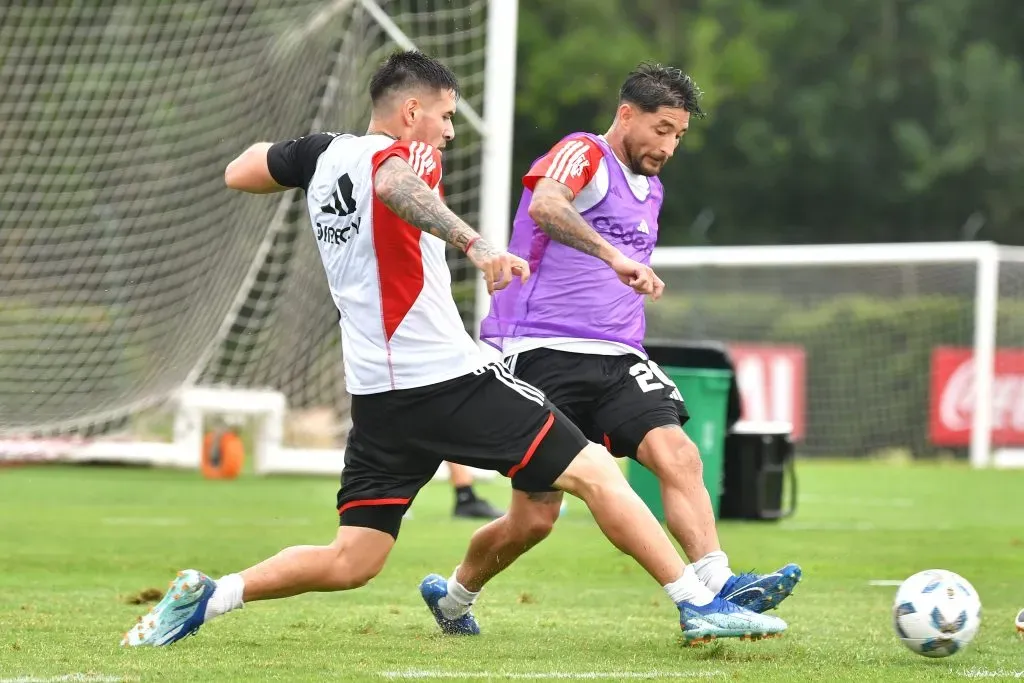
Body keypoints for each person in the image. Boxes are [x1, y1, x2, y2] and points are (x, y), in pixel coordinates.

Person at [121, 51, 785, 649]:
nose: (448, 130)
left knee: (355, 557)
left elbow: (242, 170)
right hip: (446, 376)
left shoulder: (322, 155)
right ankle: (698, 602)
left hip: (378, 397)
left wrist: (300, 155)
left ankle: (211, 595)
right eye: (442, 116)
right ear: (411, 112)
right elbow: (392, 184)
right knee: (596, 472)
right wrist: (476, 242)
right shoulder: (408, 157)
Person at [431, 63, 801, 627]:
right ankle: (454, 597)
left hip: (621, 357)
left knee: (679, 454)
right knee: (533, 520)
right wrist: (617, 257)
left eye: (679, 135)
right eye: (661, 129)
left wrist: (633, 277)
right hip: (539, 351)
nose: (669, 146)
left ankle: (720, 585)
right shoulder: (582, 152)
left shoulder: (651, 187)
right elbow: (546, 207)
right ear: (627, 113)